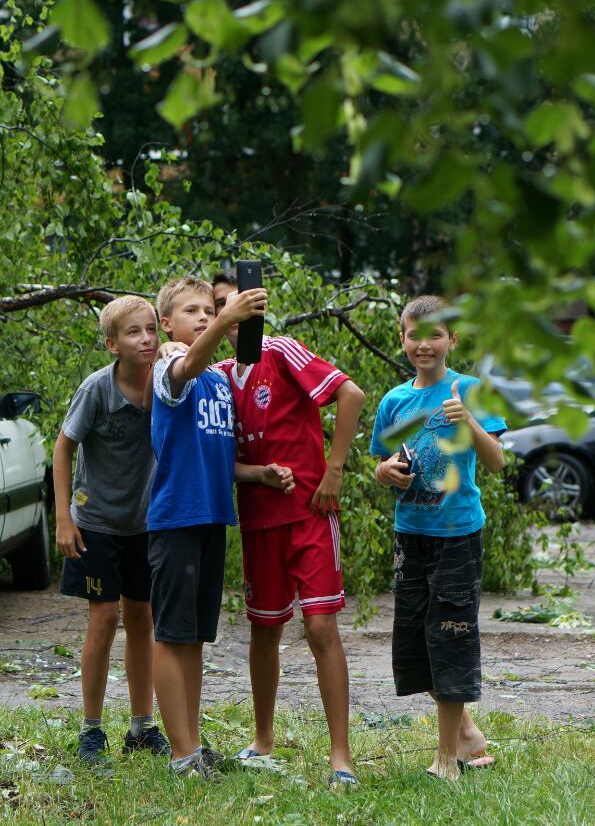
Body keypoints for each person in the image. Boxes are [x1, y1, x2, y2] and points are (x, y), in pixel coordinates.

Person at [210, 270, 366, 789]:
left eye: (237, 304)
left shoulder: (281, 351)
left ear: (254, 308)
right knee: (264, 629)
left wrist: (333, 471)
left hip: (310, 515)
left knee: (320, 627)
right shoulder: (215, 375)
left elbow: (351, 395)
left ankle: (340, 756)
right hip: (258, 523)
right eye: (217, 308)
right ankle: (262, 740)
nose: (229, 317)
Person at [369, 295, 507, 781]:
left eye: (434, 335)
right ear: (401, 336)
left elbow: (497, 463)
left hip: (457, 533)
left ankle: (447, 757)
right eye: (414, 335)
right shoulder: (394, 401)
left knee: (449, 637)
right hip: (412, 534)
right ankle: (468, 737)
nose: (423, 345)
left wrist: (469, 421)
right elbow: (381, 463)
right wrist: (386, 472)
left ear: (453, 339)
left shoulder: (469, 390)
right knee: (414, 644)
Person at [146, 276, 267, 779]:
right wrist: (224, 320)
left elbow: (217, 452)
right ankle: (179, 755)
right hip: (176, 517)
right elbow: (185, 365)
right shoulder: (169, 368)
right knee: (171, 636)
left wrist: (259, 474)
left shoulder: (218, 378)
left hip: (213, 516)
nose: (202, 317)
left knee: (194, 637)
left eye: (208, 310)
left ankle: (192, 743)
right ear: (166, 325)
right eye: (191, 311)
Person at [53, 295, 169, 764]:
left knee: (142, 620)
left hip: (144, 524)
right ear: (111, 344)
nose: (145, 339)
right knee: (103, 618)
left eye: (150, 330)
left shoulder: (165, 382)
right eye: (133, 333)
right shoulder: (97, 390)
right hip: (96, 524)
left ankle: (142, 725)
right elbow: (63, 449)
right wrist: (63, 518)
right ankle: (92, 729)